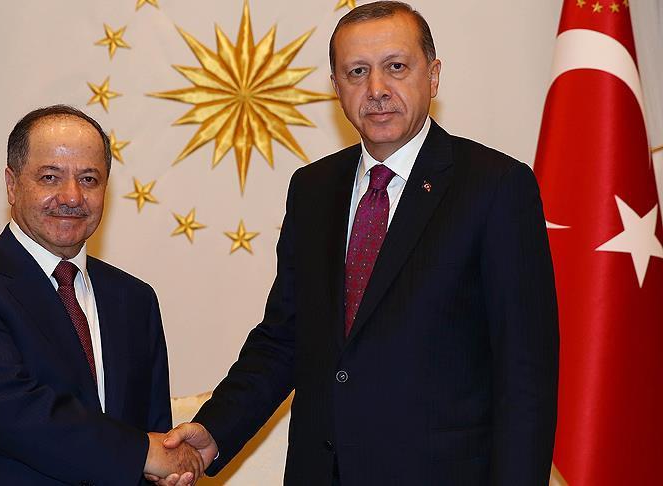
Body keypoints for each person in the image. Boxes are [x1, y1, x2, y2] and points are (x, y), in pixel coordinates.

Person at [153, 2, 559, 485]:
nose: (377, 89)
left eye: (396, 67)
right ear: (336, 87)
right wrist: (215, 430)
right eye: (357, 72)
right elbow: (285, 337)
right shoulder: (313, 188)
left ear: (433, 76)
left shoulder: (495, 186)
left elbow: (525, 375)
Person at [0, 105, 203, 485]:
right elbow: (12, 414)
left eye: (89, 179)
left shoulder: (134, 300)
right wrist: (142, 454)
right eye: (50, 177)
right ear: (12, 185)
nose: (71, 196)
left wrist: (166, 466)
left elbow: (154, 433)